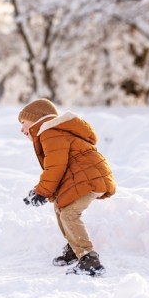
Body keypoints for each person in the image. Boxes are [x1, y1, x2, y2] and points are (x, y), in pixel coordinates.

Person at [19, 98, 116, 276]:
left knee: (69, 213)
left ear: (36, 119)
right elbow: (59, 168)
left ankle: (89, 260)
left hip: (90, 178)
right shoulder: (53, 133)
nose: (21, 129)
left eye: (24, 123)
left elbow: (55, 167)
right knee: (61, 207)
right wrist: (38, 191)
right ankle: (74, 248)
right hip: (88, 176)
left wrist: (42, 192)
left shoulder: (50, 133)